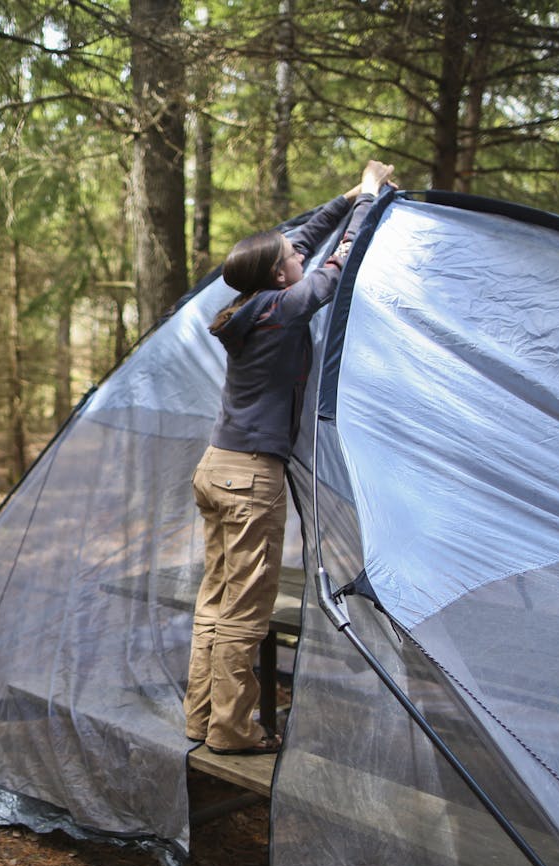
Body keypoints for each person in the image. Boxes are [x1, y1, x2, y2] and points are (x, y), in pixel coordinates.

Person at [186, 159, 394, 755]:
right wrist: (368, 205)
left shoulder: (254, 304)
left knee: (216, 599)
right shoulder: (282, 308)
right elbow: (335, 267)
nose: (299, 254)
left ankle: (200, 717)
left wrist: (354, 191)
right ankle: (232, 728)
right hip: (251, 478)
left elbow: (301, 242)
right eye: (290, 258)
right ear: (280, 274)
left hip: (216, 469)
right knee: (245, 610)